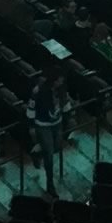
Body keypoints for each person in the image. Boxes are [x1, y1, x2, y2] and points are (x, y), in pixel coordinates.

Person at [30, 65, 69, 194]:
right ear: (54, 80)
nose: (61, 82)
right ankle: (50, 184)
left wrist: (66, 110)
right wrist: (31, 127)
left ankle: (37, 152)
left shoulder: (61, 89)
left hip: (57, 123)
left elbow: (65, 103)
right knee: (50, 155)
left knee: (57, 147)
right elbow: (31, 110)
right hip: (43, 125)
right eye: (59, 80)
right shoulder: (39, 91)